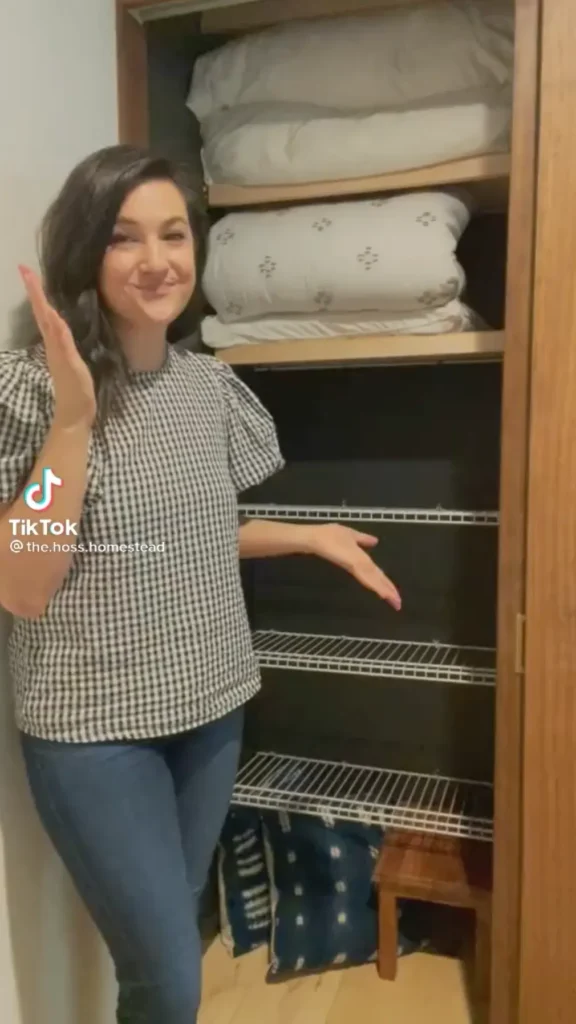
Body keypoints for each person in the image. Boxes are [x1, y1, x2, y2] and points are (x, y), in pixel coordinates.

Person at [0, 145, 401, 1024]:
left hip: (212, 703)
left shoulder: (207, 386)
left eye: (173, 234)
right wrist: (74, 422)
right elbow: (24, 583)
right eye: (124, 237)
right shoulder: (31, 389)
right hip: (95, 730)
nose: (157, 260)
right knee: (171, 980)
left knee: (166, 950)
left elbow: (180, 533)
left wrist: (306, 537)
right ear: (83, 250)